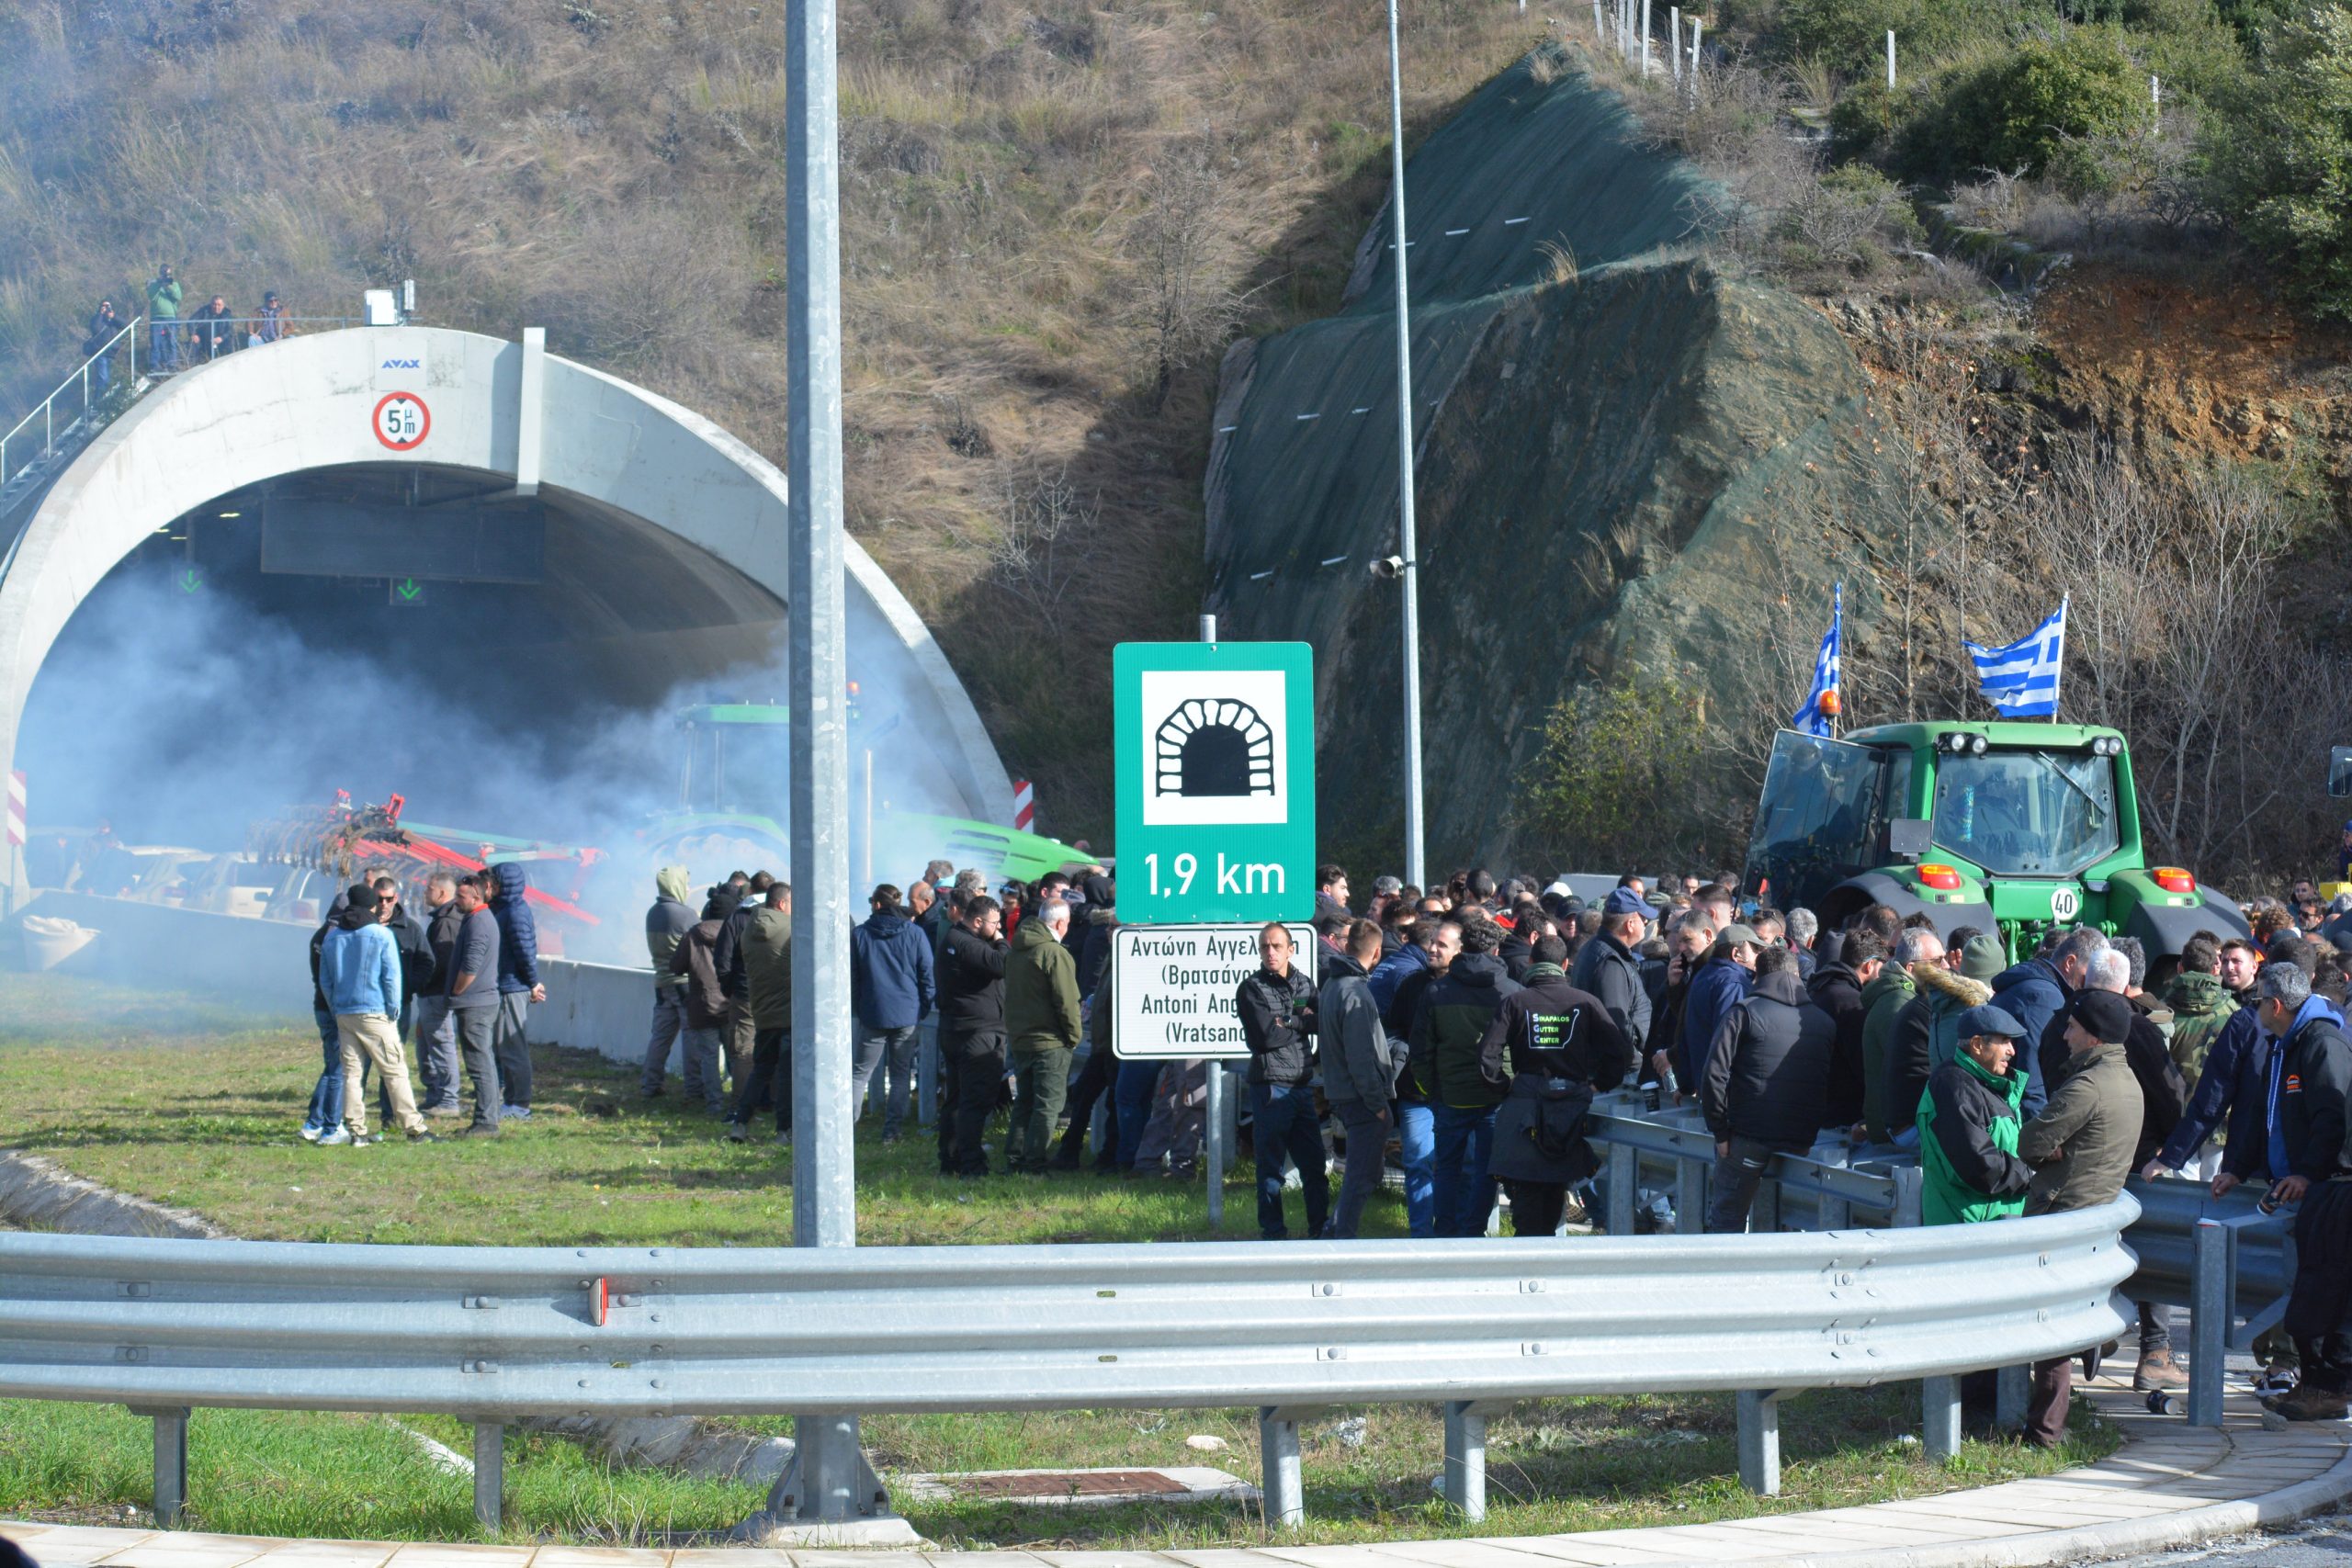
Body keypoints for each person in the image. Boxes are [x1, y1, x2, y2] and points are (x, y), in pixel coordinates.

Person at [2016, 991, 2145, 1448]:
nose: (2065, 1036)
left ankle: (2043, 1433)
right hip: (2097, 1215)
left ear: (2092, 1036)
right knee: (2067, 1321)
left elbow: (2030, 1142)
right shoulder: (2126, 1079)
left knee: (2051, 1327)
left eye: (2072, 1028)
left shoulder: (2085, 1087)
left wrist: (2053, 1148)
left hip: (2063, 1213)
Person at [2250, 964, 2352, 1418]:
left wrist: (2309, 1173)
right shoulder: (2289, 1044)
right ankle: (2317, 1383)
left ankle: (2330, 1389)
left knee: (2328, 1290)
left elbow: (2331, 1116)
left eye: (2258, 1001)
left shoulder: (2320, 1042)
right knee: (2316, 1288)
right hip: (2316, 1188)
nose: (2253, 1009)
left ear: (2276, 1006)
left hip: (2334, 1188)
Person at [1482, 932, 1631, 1235]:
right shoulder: (1586, 1002)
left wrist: (1504, 1088)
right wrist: (1598, 1085)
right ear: (1565, 964)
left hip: (1525, 1108)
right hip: (1570, 1108)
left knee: (1527, 1198)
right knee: (1553, 1192)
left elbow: (1487, 1055)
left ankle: (1532, 1263)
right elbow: (1621, 1051)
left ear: (1531, 962)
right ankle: (1545, 1261)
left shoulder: (1515, 1002)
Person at [1701, 946, 1835, 1233]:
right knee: (1796, 1221)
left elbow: (1714, 1074)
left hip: (1749, 1135)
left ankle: (1725, 1277)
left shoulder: (1744, 1012)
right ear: (1797, 974)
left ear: (1757, 975)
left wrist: (1719, 1131)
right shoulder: (1824, 1022)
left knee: (1727, 1219)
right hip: (1804, 1140)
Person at [1408, 917, 1521, 1238]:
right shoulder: (1512, 992)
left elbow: (1421, 1051)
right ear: (1496, 949)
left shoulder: (1436, 991)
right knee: (1487, 1171)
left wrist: (1433, 1091)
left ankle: (1445, 1231)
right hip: (1496, 1094)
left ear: (1463, 948)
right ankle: (1473, 1232)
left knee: (1446, 1168)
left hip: (1451, 1096)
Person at [315, 881, 434, 1145]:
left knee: (352, 1074)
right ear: (371, 906)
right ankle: (415, 1129)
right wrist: (393, 1009)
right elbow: (392, 976)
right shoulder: (381, 935)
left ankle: (356, 1131)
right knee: (394, 1071)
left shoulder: (333, 936)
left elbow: (325, 979)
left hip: (344, 1013)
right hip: (375, 1012)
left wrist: (336, 1007)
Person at [1238, 921, 1329, 1237]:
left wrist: (1291, 1021)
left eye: (1277, 946)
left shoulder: (1304, 984)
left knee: (1314, 1167)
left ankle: (1319, 1229)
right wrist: (1301, 1023)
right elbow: (1266, 1036)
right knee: (1270, 1168)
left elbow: (1324, 1021)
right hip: (1270, 1085)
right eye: (1264, 946)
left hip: (1302, 1086)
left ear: (1291, 949)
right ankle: (1273, 1233)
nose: (1270, 952)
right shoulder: (1252, 988)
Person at [1919, 1004, 2034, 1225]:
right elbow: (1980, 1167)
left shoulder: (1988, 1083)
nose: (2012, 1051)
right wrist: (2032, 1174)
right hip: (1968, 1229)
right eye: (2004, 1041)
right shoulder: (1954, 1087)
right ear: (1977, 1045)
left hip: (1991, 1223)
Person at [1883, 933, 2000, 1147]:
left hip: (1905, 1121)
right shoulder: (1965, 1011)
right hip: (1918, 1126)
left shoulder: (1931, 1003)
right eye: (1938, 961)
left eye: (1945, 957)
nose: (1946, 965)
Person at [1320, 919, 1396, 1238]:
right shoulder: (1355, 992)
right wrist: (1378, 1104)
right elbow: (1361, 1058)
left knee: (1365, 1172)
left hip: (1345, 1093)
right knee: (1361, 1176)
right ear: (1377, 951)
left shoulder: (1333, 985)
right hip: (1361, 1098)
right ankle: (1339, 1240)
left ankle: (1337, 1233)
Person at [848, 884, 935, 1144]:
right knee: (900, 1075)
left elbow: (852, 977)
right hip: (907, 1013)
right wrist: (923, 1008)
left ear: (876, 905)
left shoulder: (860, 934)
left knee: (859, 1074)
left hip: (873, 1012)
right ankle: (892, 1131)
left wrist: (858, 1007)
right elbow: (926, 976)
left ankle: (846, 1130)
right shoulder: (915, 933)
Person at [1996, 926, 2109, 1117]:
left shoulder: (2034, 983)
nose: (2089, 984)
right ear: (2070, 962)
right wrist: (2041, 1138)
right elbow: (2032, 1078)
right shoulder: (2045, 997)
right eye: (2087, 976)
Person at [1005, 897, 1083, 1172]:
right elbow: (1067, 1001)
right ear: (1061, 923)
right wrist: (1073, 1036)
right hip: (1049, 1041)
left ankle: (1015, 1158)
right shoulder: (1054, 953)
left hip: (1020, 1037)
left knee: (1024, 1101)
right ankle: (1034, 1162)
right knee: (1048, 1104)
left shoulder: (1017, 949)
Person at [938, 893, 1010, 1176]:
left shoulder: (955, 940)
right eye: (995, 923)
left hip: (958, 1030)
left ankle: (951, 1159)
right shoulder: (966, 944)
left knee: (956, 1100)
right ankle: (971, 1164)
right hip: (977, 1034)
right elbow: (1003, 963)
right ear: (978, 921)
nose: (998, 927)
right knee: (974, 1102)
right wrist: (1002, 940)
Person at [728, 883, 794, 1144]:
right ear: (781, 904)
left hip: (762, 1012)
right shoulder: (790, 930)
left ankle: (740, 1123)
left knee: (761, 1070)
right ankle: (784, 1130)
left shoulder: (748, 931)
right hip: (789, 1014)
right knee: (787, 1076)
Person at [442, 874, 504, 1135]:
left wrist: (456, 991)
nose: (456, 900)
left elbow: (471, 965)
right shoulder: (479, 918)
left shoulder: (478, 923)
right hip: (480, 1001)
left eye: (460, 896)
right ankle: (487, 1118)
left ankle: (486, 1122)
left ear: (476, 897)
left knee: (479, 1065)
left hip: (475, 1003)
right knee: (484, 1061)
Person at [668, 890, 738, 1113]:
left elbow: (676, 967)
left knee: (708, 1057)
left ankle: (714, 1104)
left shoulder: (693, 935)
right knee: (736, 1056)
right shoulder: (735, 932)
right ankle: (739, 1103)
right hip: (731, 1005)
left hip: (702, 1005)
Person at [1569, 887, 1651, 1070]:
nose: (1646, 922)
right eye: (1643, 918)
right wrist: (1638, 1061)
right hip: (1616, 1076)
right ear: (1630, 924)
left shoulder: (1600, 949)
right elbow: (1614, 1025)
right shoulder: (1610, 963)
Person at [1678, 922, 1758, 1094]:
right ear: (1736, 954)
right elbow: (1728, 1043)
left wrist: (1686, 1084)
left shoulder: (1703, 975)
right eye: (1755, 949)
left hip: (1706, 1087)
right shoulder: (1734, 983)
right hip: (1725, 1093)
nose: (1759, 956)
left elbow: (1686, 1034)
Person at [1805, 929, 1873, 1132]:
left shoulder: (1817, 990)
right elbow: (1864, 1066)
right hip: (1842, 1118)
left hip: (1815, 1111)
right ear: (1870, 965)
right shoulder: (1851, 1002)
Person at [640, 865, 695, 1098]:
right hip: (684, 983)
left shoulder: (653, 912)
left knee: (660, 1037)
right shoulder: (685, 914)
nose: (689, 888)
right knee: (692, 1037)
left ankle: (650, 1085)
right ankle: (695, 1088)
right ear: (677, 885)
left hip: (662, 982)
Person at [413, 871, 465, 1115]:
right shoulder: (442, 919)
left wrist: (421, 980)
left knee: (442, 1047)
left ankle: (448, 1100)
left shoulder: (446, 922)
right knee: (427, 1046)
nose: (425, 892)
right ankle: (435, 1095)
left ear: (442, 892)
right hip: (430, 994)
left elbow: (440, 962)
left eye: (429, 888)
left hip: (435, 994)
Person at [146, 264, 182, 370]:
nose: (166, 275)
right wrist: (159, 283)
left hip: (171, 318)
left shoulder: (174, 284)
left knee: (172, 342)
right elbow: (151, 296)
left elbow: (178, 296)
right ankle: (155, 365)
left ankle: (172, 364)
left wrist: (168, 286)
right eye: (164, 272)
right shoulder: (154, 285)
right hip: (157, 318)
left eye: (168, 273)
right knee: (155, 342)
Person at [83, 299, 124, 391]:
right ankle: (99, 399)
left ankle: (105, 397)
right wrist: (101, 314)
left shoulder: (113, 320)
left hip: (112, 352)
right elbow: (95, 328)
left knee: (110, 379)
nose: (106, 308)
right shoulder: (97, 318)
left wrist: (114, 317)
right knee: (103, 378)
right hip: (100, 352)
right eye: (104, 306)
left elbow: (125, 324)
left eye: (108, 306)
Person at [187, 294, 234, 360]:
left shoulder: (227, 314)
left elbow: (230, 330)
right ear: (211, 304)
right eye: (214, 304)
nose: (216, 307)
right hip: (203, 340)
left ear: (223, 306)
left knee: (229, 342)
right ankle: (192, 367)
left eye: (219, 305)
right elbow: (191, 321)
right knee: (192, 343)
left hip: (221, 341)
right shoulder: (204, 311)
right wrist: (193, 334)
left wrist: (221, 338)